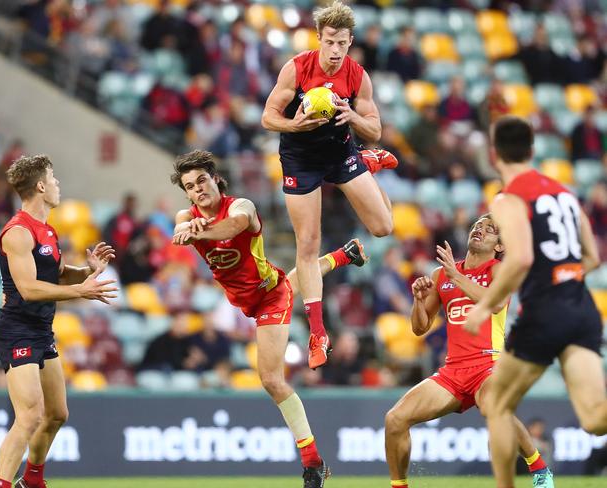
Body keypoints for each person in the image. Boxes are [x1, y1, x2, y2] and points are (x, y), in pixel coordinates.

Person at [170, 149, 368, 488]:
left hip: (268, 296)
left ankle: (313, 462)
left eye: (202, 180)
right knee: (298, 280)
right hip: (248, 299)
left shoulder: (241, 206)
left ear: (216, 179)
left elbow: (234, 226)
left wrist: (200, 232)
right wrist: (187, 227)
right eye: (189, 186)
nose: (197, 189)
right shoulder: (186, 216)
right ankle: (344, 255)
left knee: (272, 380)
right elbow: (180, 226)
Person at [465, 116, 607, 488]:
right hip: (581, 309)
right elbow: (591, 257)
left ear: (495, 155)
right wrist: (562, 278)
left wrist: (483, 306)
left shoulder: (509, 197)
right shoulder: (564, 193)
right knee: (595, 419)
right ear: (532, 150)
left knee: (497, 405)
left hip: (544, 313)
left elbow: (521, 258)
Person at [261, 1, 396, 369]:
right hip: (300, 159)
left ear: (351, 42)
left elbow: (376, 129)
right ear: (319, 38)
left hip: (340, 152)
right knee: (307, 244)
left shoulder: (357, 76)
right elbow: (268, 116)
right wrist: (295, 125)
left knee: (384, 228)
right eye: (330, 42)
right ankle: (319, 334)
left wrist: (351, 114)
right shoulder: (297, 69)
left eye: (343, 44)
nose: (336, 51)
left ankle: (368, 164)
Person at [384, 214, 555, 488]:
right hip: (453, 371)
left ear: (499, 246)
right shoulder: (441, 275)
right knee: (395, 419)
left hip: (489, 364)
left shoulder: (499, 270)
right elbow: (419, 328)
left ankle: (540, 471)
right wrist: (417, 301)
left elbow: (495, 304)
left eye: (490, 230)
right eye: (478, 225)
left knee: (493, 408)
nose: (480, 230)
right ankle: (399, 486)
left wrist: (455, 275)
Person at [0, 155, 117, 488]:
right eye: (54, 177)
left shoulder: (47, 229)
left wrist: (87, 269)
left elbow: (57, 274)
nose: (58, 183)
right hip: (17, 330)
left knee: (57, 414)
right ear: (40, 186)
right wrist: (82, 290)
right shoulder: (18, 232)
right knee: (30, 416)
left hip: (40, 330)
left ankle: (32, 481)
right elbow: (30, 289)